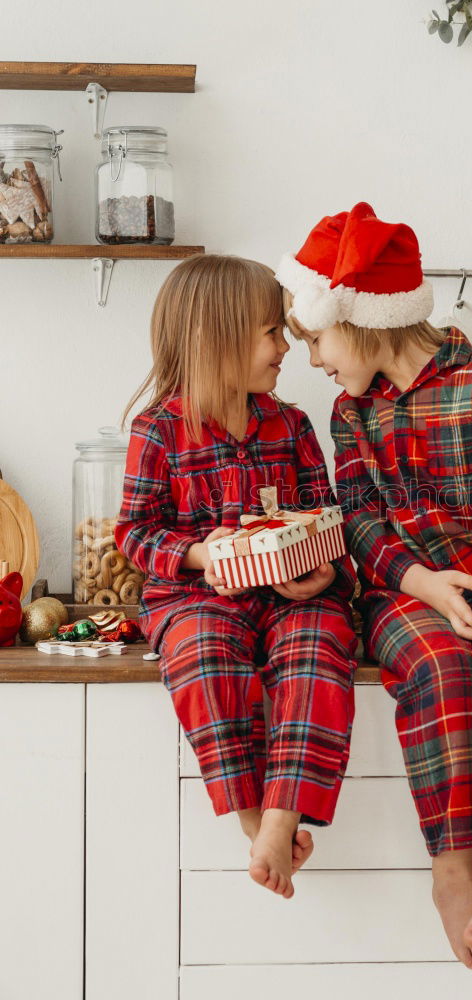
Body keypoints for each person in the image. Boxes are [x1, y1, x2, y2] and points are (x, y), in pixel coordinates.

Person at [277, 203, 472, 969]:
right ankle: (453, 868)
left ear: (359, 320)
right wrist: (423, 582)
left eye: (316, 338)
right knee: (441, 671)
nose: (314, 359)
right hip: (403, 596)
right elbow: (358, 521)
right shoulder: (351, 414)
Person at [115, 254, 358, 900]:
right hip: (195, 595)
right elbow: (135, 533)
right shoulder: (160, 431)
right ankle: (257, 823)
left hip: (287, 597)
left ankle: (283, 816)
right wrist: (200, 554)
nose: (286, 346)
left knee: (321, 645)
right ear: (214, 338)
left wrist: (322, 567)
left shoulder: (292, 426)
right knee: (201, 653)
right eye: (271, 332)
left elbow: (325, 516)